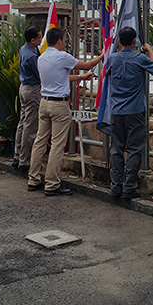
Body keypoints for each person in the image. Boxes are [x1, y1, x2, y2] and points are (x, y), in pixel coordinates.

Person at [27, 27, 103, 196]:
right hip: (59, 105)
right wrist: (103, 55)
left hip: (44, 102)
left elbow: (59, 76)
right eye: (63, 40)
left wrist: (80, 78)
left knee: (40, 141)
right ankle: (52, 183)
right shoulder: (62, 57)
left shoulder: (42, 57)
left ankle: (33, 178)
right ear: (59, 41)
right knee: (57, 145)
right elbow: (88, 65)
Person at [106, 26, 153, 199]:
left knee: (116, 149)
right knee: (134, 149)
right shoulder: (139, 59)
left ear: (120, 41)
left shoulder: (112, 59)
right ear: (135, 41)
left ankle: (116, 186)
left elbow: (107, 73)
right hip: (135, 110)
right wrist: (149, 50)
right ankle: (129, 187)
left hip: (116, 111)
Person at [11, 25, 43, 171]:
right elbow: (39, 74)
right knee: (30, 125)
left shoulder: (25, 49)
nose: (41, 40)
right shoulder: (31, 55)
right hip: (32, 89)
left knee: (23, 122)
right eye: (39, 37)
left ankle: (17, 155)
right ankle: (24, 160)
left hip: (24, 87)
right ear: (32, 40)